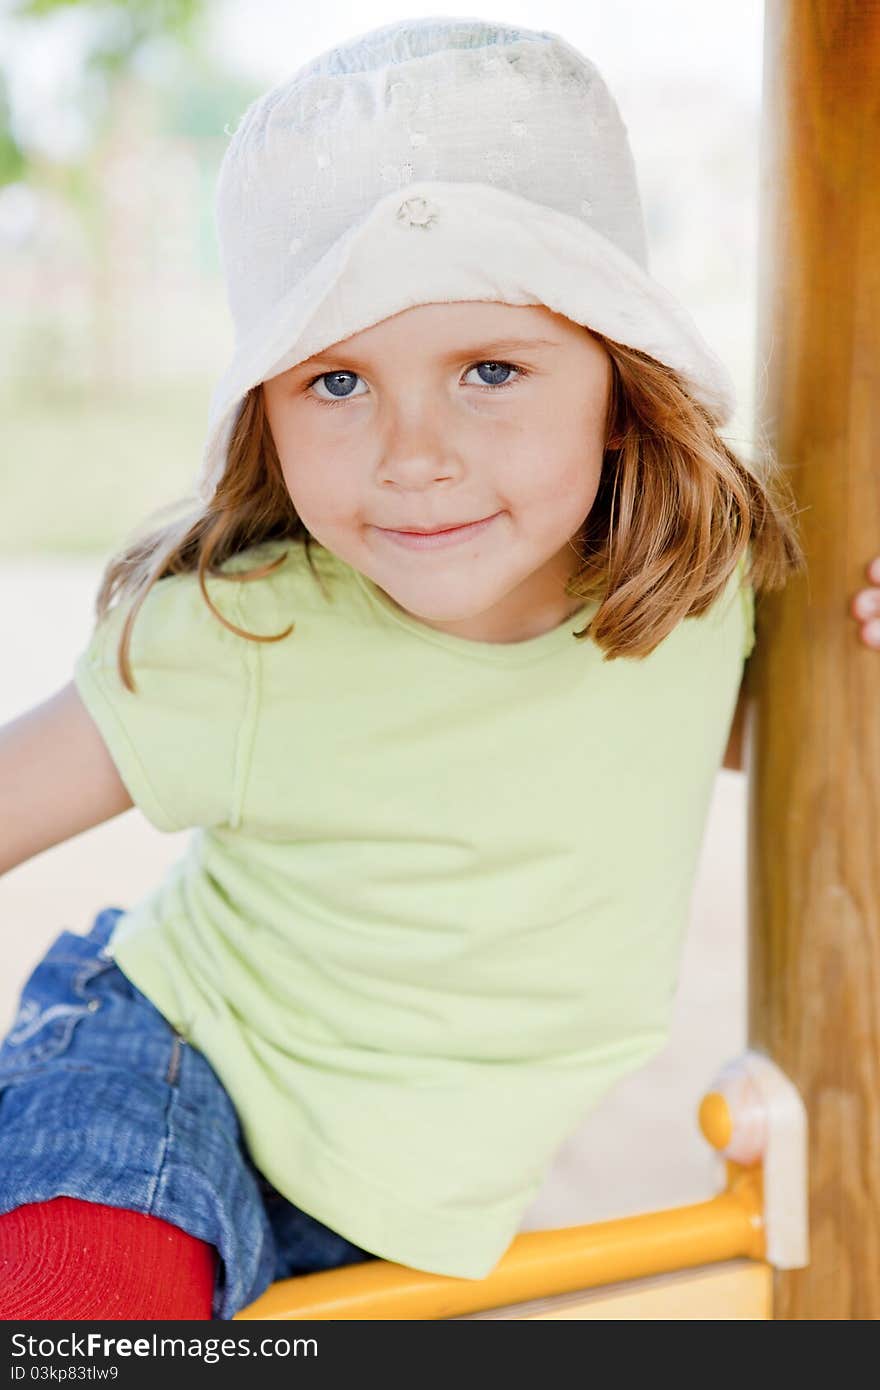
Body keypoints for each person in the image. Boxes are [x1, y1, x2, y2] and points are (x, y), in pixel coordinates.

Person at [0, 14, 853, 1321]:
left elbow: (809, 735)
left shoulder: (688, 610)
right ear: (265, 417)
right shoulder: (248, 638)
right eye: (336, 383)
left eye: (490, 369)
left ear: (623, 391)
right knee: (81, 1322)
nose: (412, 453)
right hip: (166, 1078)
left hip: (387, 1211)